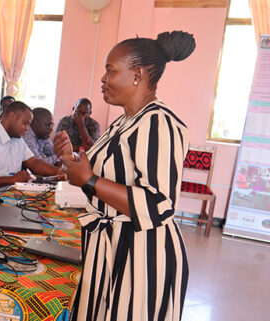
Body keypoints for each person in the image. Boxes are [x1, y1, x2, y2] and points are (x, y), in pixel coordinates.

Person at [54, 31, 195, 321]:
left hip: (141, 255)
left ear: (137, 74)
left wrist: (90, 181)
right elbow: (99, 172)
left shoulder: (158, 123)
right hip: (113, 245)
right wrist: (70, 162)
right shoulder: (123, 121)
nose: (103, 80)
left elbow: (159, 203)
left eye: (110, 71)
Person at [0, 102, 63, 216]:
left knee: (42, 213)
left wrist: (59, 172)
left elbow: (33, 162)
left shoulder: (17, 139)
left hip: (4, 199)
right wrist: (11, 179)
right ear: (12, 116)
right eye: (25, 123)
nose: (27, 129)